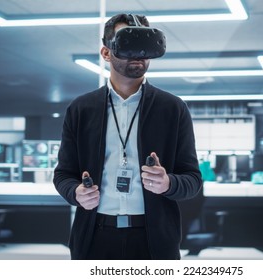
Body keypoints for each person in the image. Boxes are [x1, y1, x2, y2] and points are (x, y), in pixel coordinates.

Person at [53, 13, 202, 260]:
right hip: (94, 238)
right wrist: (75, 192)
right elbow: (63, 175)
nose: (139, 53)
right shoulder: (81, 109)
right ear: (106, 53)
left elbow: (193, 180)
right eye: (128, 43)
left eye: (144, 44)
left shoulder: (173, 108)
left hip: (153, 241)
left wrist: (168, 184)